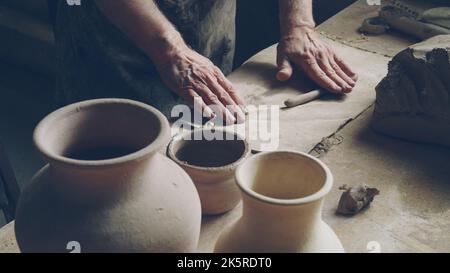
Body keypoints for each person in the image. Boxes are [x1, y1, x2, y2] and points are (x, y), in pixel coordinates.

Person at [53, 0, 357, 124]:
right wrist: (169, 50)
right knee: (121, 161)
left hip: (209, 16)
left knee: (210, 123)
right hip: (118, 27)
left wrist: (298, 22)